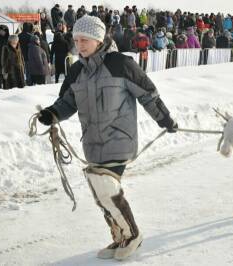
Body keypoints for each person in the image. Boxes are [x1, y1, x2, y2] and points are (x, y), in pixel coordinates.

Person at [37, 15, 177, 261]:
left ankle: (133, 234)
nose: (80, 45)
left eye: (85, 40)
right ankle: (120, 236)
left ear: (99, 39)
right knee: (98, 189)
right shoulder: (77, 70)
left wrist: (164, 118)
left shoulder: (120, 64)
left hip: (119, 139)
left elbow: (148, 94)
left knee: (106, 186)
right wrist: (52, 114)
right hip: (93, 142)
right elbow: (66, 102)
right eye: (76, 40)